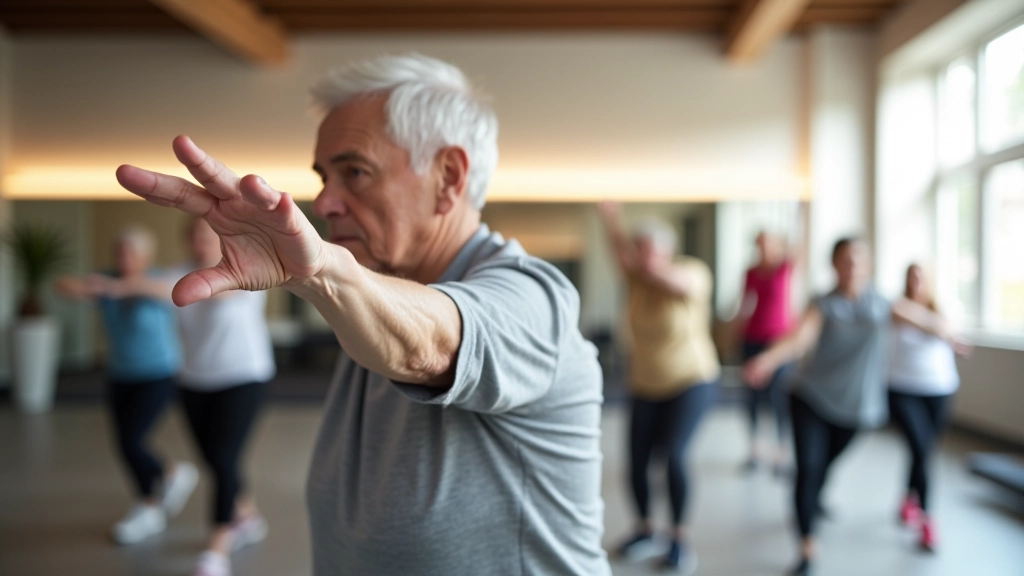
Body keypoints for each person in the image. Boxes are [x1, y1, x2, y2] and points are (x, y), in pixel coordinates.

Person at [114, 54, 609, 576]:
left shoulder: (535, 298)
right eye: (323, 176)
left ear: (448, 177)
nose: (325, 202)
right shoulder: (378, 285)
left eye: (355, 172)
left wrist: (320, 272)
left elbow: (431, 346)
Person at [744, 238, 953, 576]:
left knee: (824, 465)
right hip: (810, 397)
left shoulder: (883, 304)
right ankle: (808, 544)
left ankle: (813, 499)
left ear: (868, 265)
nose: (851, 266)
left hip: (857, 408)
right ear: (834, 265)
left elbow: (918, 317)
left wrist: (947, 332)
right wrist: (767, 359)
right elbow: (800, 337)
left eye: (857, 260)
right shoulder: (823, 304)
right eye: (844, 260)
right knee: (809, 467)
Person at [55, 226, 198, 545]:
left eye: (131, 252)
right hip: (120, 375)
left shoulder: (159, 279)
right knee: (124, 443)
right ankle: (164, 482)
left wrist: (122, 288)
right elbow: (63, 285)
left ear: (146, 257)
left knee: (132, 439)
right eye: (119, 252)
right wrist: (92, 288)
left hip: (158, 375)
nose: (124, 258)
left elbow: (167, 292)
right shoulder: (105, 281)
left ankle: (152, 499)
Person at [599, 202, 720, 574]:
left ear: (667, 250)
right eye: (640, 249)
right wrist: (611, 219)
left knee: (674, 455)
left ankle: (679, 539)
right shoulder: (636, 279)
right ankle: (645, 529)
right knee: (636, 462)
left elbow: (675, 282)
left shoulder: (691, 272)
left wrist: (652, 267)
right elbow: (619, 250)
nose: (642, 257)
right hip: (645, 383)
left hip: (691, 380)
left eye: (650, 249)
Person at [175, 218, 276, 576]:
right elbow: (160, 289)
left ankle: (217, 548)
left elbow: (223, 292)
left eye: (209, 237)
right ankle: (246, 513)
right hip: (194, 379)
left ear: (222, 242)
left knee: (223, 456)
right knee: (215, 460)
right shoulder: (178, 273)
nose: (202, 243)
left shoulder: (244, 273)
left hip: (244, 376)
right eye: (196, 236)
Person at [889, 263, 969, 553]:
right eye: (912, 275)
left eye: (922, 276)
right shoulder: (898, 306)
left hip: (940, 389)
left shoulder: (946, 307)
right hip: (903, 390)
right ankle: (927, 520)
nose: (917, 281)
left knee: (923, 450)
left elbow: (950, 327)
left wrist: (943, 327)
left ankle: (908, 499)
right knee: (922, 449)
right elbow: (931, 325)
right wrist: (939, 328)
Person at [737, 231, 798, 474]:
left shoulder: (784, 268)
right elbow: (744, 304)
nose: (764, 248)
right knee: (751, 397)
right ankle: (755, 450)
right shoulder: (750, 272)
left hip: (779, 342)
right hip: (752, 338)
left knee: (779, 397)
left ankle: (781, 453)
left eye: (768, 243)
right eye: (760, 243)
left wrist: (803, 207)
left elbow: (800, 241)